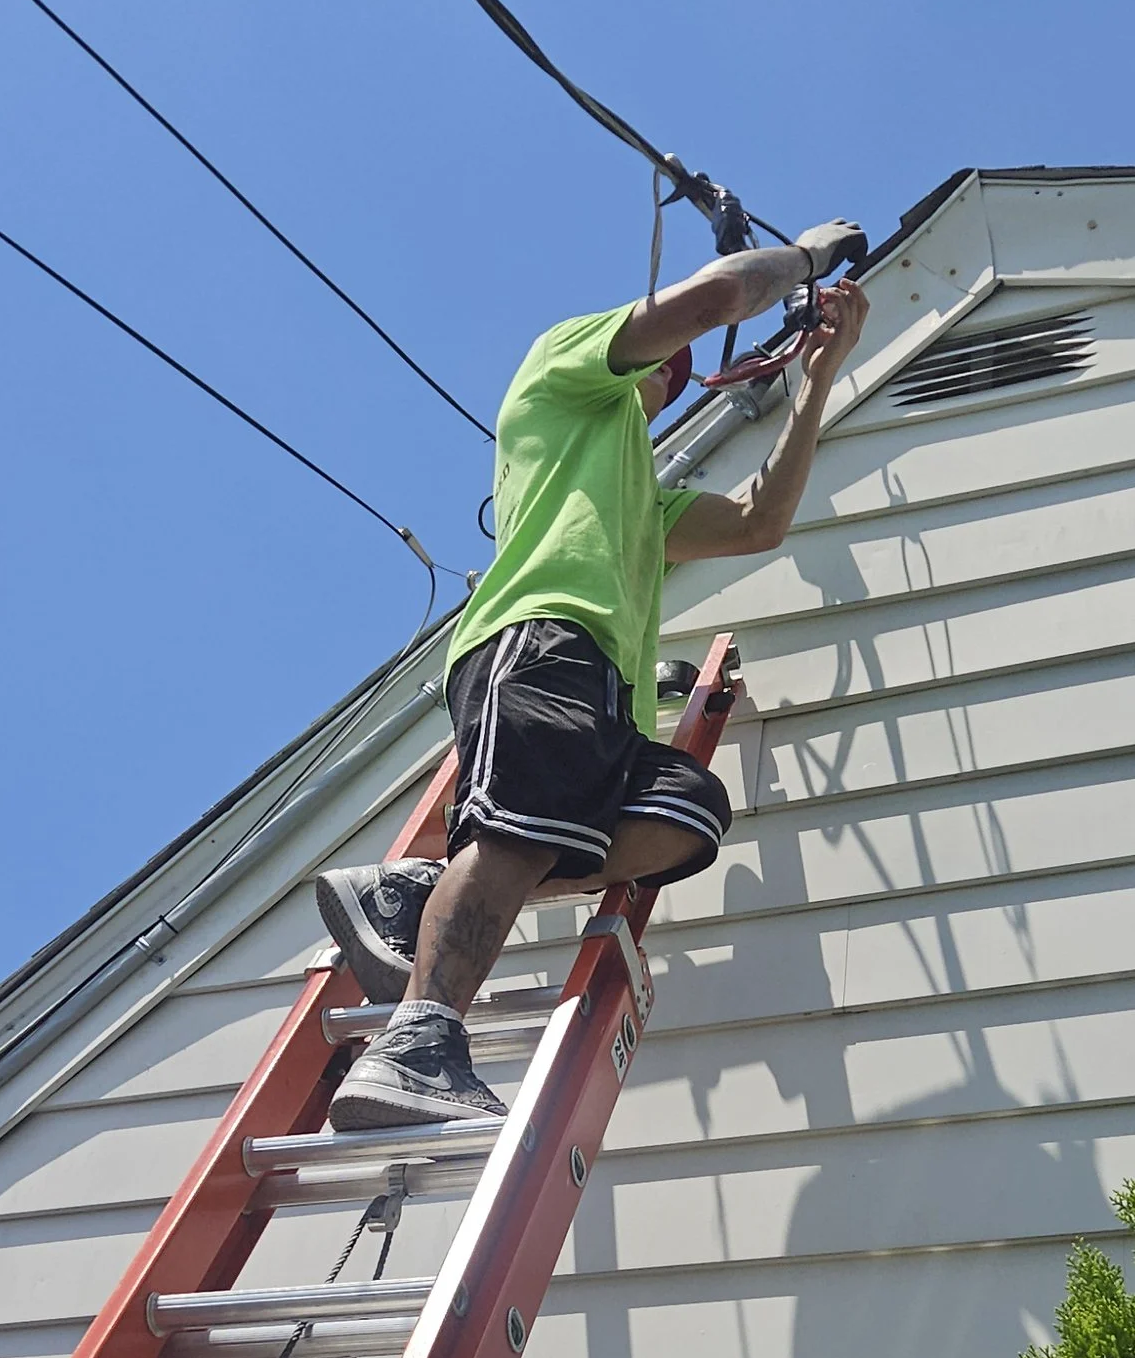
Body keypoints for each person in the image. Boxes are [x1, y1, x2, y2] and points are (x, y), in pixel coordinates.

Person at [317, 226, 871, 1126]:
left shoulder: (642, 496)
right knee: (518, 831)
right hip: (543, 637)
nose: (666, 381)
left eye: (676, 379)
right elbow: (714, 299)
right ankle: (415, 1043)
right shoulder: (560, 372)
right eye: (663, 364)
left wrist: (816, 381)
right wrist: (805, 258)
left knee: (686, 815)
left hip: (605, 688)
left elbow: (758, 522)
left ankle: (417, 891)